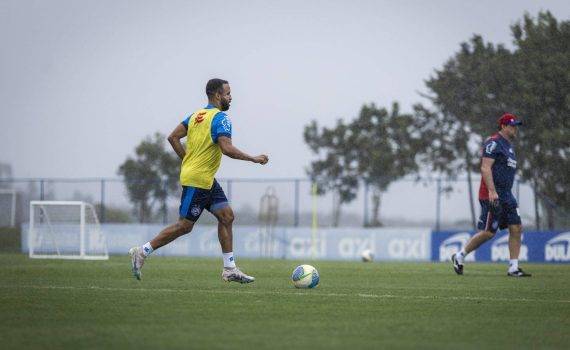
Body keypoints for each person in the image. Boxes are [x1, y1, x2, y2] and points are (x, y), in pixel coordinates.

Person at [129, 78, 269, 283]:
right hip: (198, 180)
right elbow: (226, 148)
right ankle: (142, 251)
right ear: (217, 95)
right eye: (228, 93)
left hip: (205, 178)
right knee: (185, 226)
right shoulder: (221, 118)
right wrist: (254, 158)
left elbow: (173, 137)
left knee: (227, 216)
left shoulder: (196, 116)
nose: (231, 97)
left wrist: (187, 161)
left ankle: (229, 268)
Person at [452, 113, 531, 277]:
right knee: (489, 232)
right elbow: (485, 168)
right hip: (492, 195)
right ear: (503, 126)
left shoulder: (509, 147)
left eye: (516, 125)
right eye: (512, 125)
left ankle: (513, 268)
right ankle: (460, 256)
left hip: (507, 195)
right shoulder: (494, 143)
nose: (515, 128)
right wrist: (492, 191)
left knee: (516, 227)